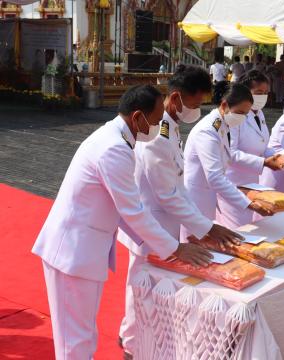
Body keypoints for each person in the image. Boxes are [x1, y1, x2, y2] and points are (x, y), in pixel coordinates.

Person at [31, 85, 213, 359]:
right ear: (138, 117)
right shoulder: (114, 149)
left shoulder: (115, 137)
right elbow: (132, 210)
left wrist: (154, 246)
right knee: (75, 343)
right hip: (72, 252)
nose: (157, 125)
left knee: (82, 337)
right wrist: (175, 248)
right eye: (155, 119)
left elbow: (124, 210)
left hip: (81, 248)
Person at [117, 68, 242, 357]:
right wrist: (207, 228)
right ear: (176, 98)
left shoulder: (169, 126)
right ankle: (132, 346)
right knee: (141, 288)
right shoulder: (157, 135)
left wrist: (202, 227)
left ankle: (137, 337)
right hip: (149, 225)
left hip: (164, 222)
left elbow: (178, 183)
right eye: (195, 104)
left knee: (150, 288)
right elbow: (168, 194)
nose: (196, 111)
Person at [182, 83, 276, 237]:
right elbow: (214, 177)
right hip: (196, 200)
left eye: (245, 114)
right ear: (224, 105)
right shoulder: (207, 131)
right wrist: (249, 204)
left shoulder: (222, 125)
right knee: (194, 246)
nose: (242, 118)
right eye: (239, 112)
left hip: (208, 198)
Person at [216, 71, 280, 228]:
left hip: (252, 183)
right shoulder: (236, 115)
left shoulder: (259, 114)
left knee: (250, 227)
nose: (263, 97)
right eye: (258, 93)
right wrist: (263, 162)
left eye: (265, 93)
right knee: (237, 230)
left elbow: (262, 145)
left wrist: (279, 156)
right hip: (233, 183)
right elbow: (231, 153)